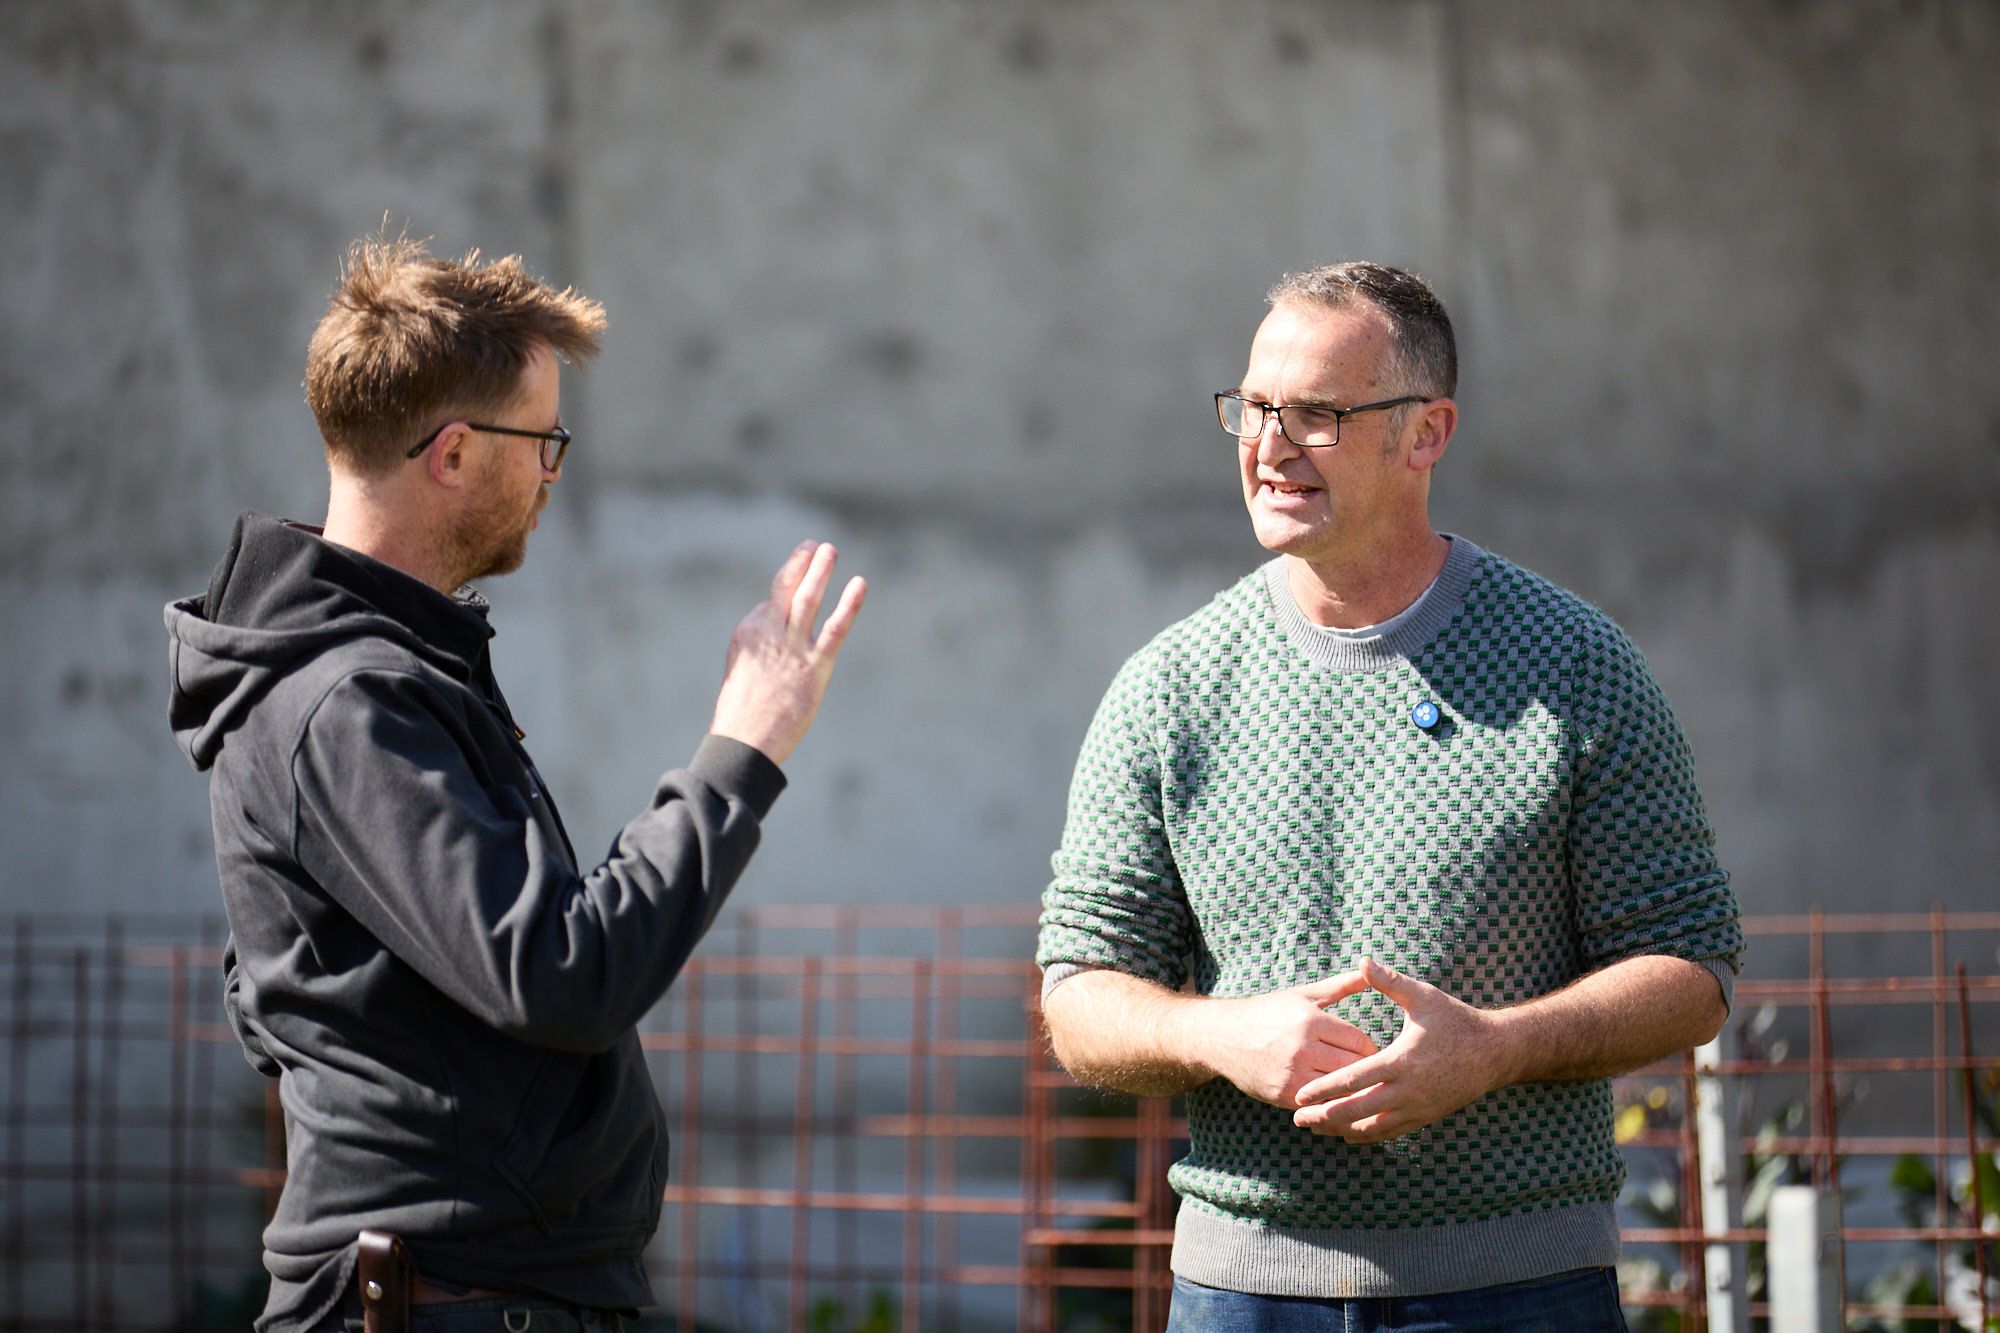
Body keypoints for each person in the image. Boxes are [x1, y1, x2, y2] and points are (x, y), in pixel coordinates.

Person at [165, 233, 866, 1332]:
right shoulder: (351, 701)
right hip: (447, 1300)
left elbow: (277, 997)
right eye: (544, 440)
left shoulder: (378, 677)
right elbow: (559, 974)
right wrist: (740, 751)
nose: (551, 471)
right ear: (451, 453)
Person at [1036, 262, 1741, 1330]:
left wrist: (1496, 1048)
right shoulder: (1168, 689)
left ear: (1425, 432)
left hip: (1519, 1288)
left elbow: (1690, 969)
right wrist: (1223, 1036)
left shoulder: (1574, 663)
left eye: (1315, 412)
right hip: (1243, 1291)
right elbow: (1079, 995)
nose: (1269, 444)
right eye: (1253, 406)